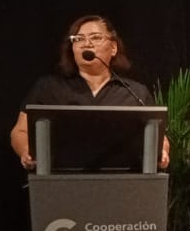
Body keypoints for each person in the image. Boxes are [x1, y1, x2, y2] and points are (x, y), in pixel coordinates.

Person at [10, 15, 166, 170]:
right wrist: (26, 151)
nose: (87, 44)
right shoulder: (49, 88)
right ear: (72, 48)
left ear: (113, 48)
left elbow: (159, 137)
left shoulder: (135, 92)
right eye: (78, 39)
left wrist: (163, 152)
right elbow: (20, 130)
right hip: (60, 183)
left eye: (96, 37)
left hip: (125, 184)